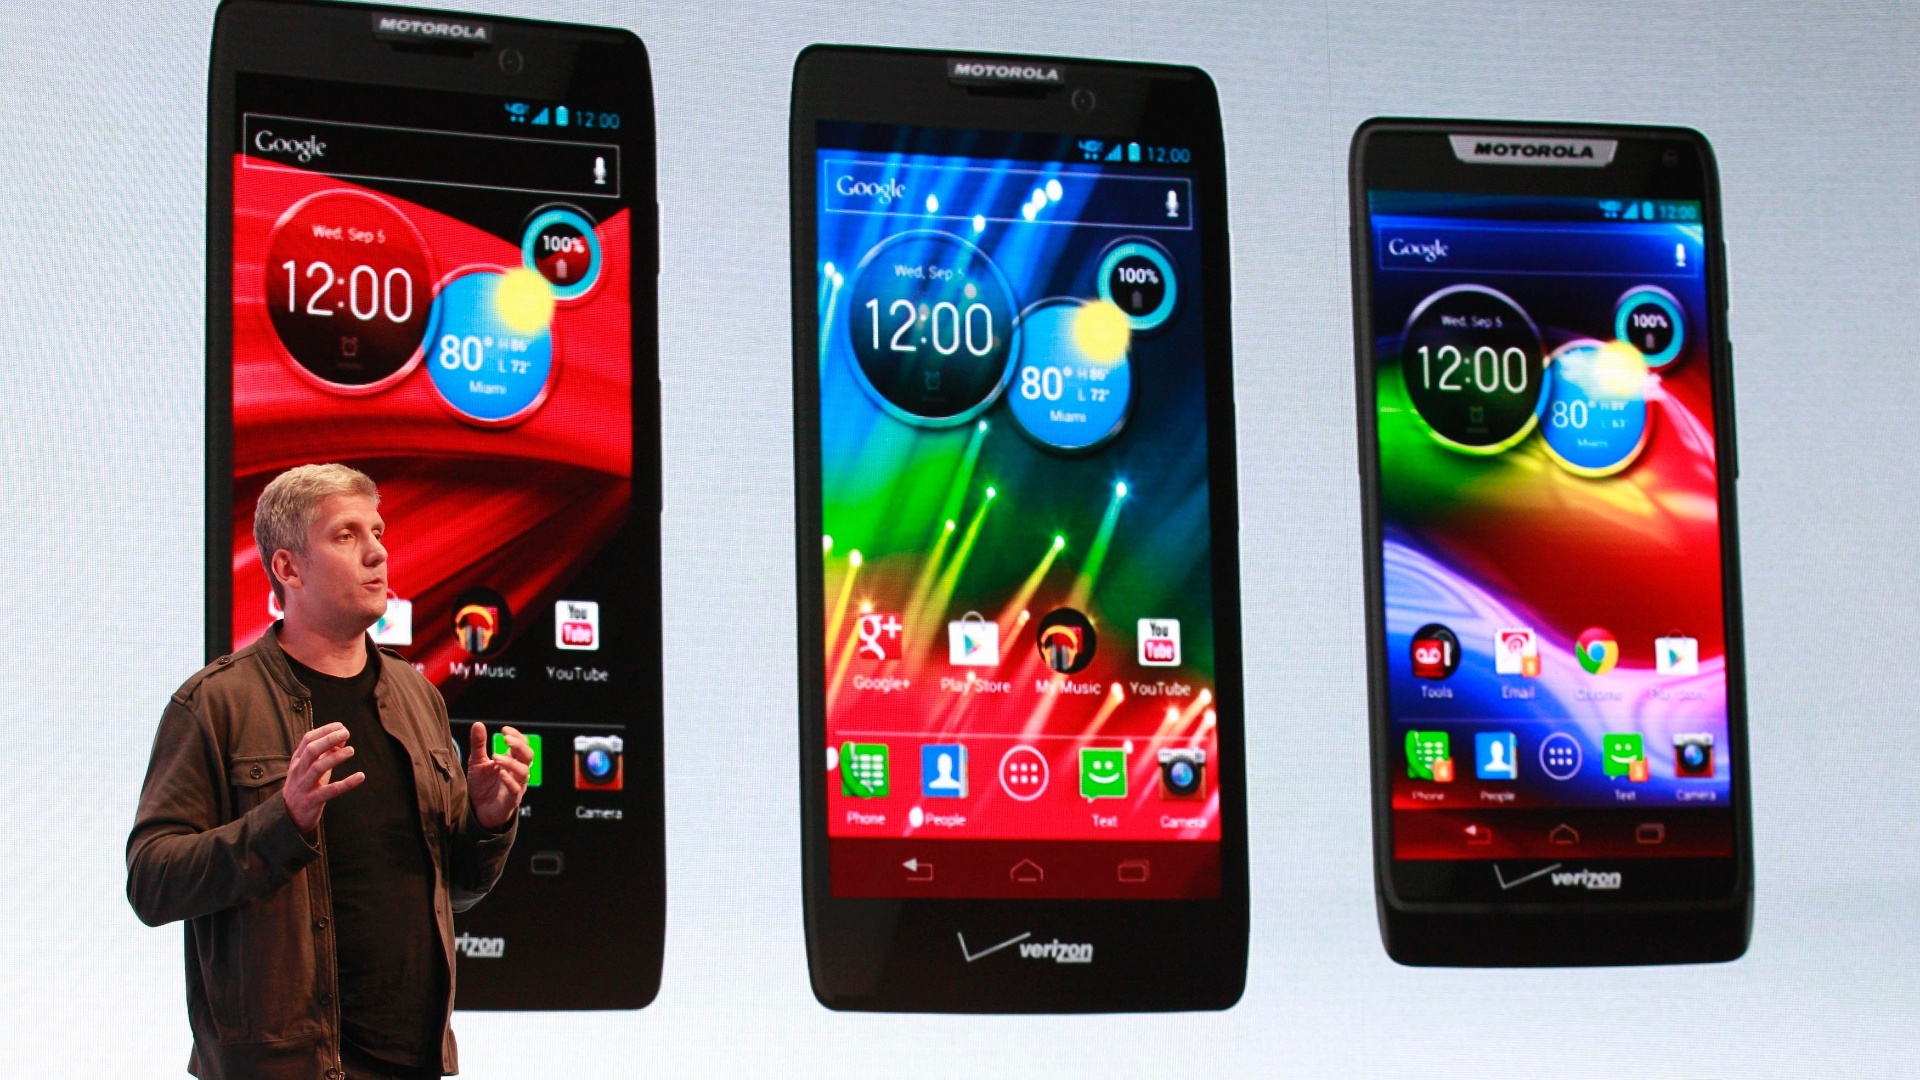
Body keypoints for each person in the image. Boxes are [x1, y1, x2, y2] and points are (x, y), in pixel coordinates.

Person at [128, 464, 534, 1080]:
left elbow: (456, 890)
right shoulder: (216, 703)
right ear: (288, 569)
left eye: (378, 532)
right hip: (284, 1067)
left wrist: (487, 822)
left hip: (412, 1061)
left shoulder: (417, 697)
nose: (377, 553)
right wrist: (282, 821)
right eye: (346, 535)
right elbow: (152, 883)